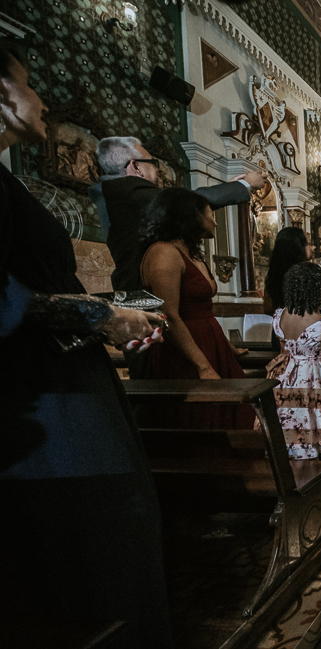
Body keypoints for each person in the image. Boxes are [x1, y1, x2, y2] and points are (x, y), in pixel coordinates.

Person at [0, 41, 173, 647]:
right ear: (2, 95)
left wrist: (110, 317)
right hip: (40, 398)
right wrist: (100, 316)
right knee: (102, 537)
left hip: (62, 377)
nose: (41, 98)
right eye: (27, 83)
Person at [140, 188, 254, 429]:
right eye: (209, 214)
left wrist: (227, 347)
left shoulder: (192, 253)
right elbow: (169, 316)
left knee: (233, 415)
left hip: (209, 343)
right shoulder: (164, 253)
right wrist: (203, 366)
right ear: (191, 217)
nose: (214, 220)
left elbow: (204, 309)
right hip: (185, 352)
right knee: (200, 419)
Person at [89, 136, 266, 292]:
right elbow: (181, 202)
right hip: (144, 290)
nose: (158, 170)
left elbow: (183, 202)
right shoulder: (128, 190)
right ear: (136, 166)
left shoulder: (122, 192)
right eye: (153, 163)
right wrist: (245, 184)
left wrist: (229, 186)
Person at [266, 262, 321, 459]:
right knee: (313, 414)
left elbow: (284, 349)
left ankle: (292, 455)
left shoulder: (280, 316)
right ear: (319, 290)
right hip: (313, 378)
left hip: (285, 375)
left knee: (291, 415)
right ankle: (316, 458)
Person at [263, 226, 314, 351]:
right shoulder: (307, 274)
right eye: (308, 244)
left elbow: (268, 308)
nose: (313, 247)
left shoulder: (274, 275)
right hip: (305, 330)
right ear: (298, 247)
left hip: (280, 331)